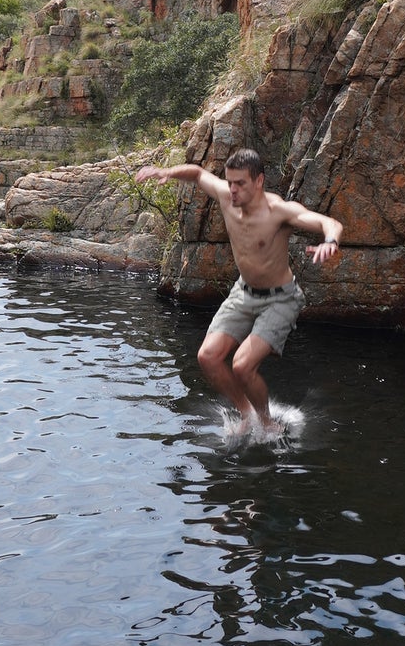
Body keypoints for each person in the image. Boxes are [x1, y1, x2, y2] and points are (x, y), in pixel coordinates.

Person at [132, 147, 343, 433]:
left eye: (240, 183)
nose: (232, 190)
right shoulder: (225, 195)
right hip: (243, 292)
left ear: (259, 181)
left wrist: (330, 240)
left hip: (280, 299)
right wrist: (166, 172)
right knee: (207, 357)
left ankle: (267, 423)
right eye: (229, 182)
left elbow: (327, 221)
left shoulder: (277, 210)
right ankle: (247, 414)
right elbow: (196, 173)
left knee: (242, 366)